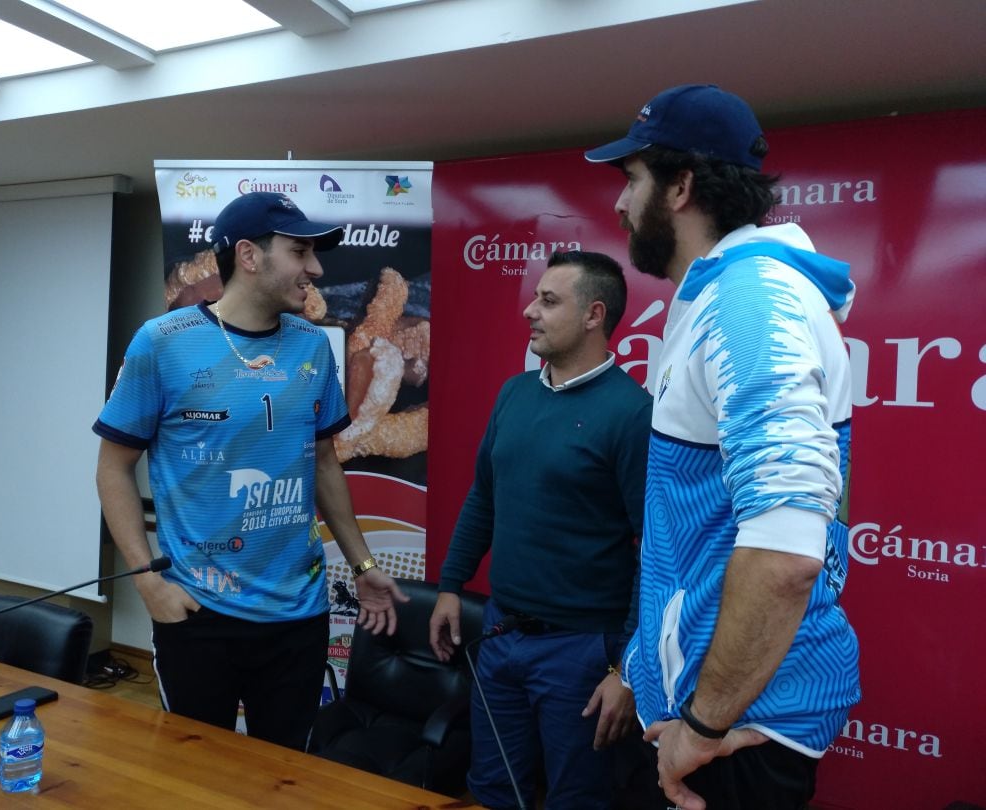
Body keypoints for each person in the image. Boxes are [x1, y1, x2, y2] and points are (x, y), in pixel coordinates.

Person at [585, 84, 860, 810]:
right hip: (701, 705)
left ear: (680, 186)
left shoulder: (750, 301)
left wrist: (702, 726)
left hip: (733, 731)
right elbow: (703, 531)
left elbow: (788, 552)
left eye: (632, 180)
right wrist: (641, 667)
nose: (618, 205)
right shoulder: (712, 295)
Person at [94, 191, 407, 750]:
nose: (316, 269)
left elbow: (326, 463)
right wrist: (147, 584)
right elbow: (114, 469)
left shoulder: (312, 346)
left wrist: (363, 566)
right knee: (199, 772)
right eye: (301, 252)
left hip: (298, 615)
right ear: (249, 255)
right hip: (198, 612)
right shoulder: (162, 343)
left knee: (286, 772)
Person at [430, 250, 652, 810]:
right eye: (535, 297)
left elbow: (656, 548)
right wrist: (451, 586)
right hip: (500, 634)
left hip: (580, 651)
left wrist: (626, 667)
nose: (530, 310)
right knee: (491, 789)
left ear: (593, 314)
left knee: (576, 799)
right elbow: (484, 496)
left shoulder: (632, 414)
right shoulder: (515, 393)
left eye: (548, 301)